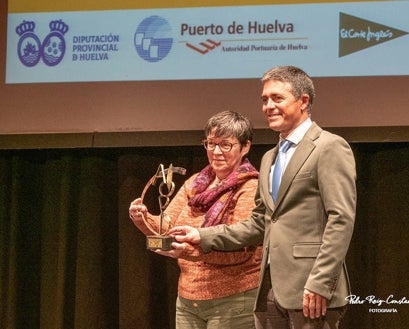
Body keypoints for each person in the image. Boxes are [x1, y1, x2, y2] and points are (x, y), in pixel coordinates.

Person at [169, 66, 357, 329]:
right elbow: (260, 223)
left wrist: (320, 283)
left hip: (310, 290)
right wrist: (202, 236)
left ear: (303, 101)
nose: (268, 106)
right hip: (269, 291)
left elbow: (341, 220)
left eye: (277, 98)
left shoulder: (329, 147)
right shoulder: (270, 158)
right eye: (265, 99)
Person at [128, 111, 262, 329]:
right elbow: (168, 225)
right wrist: (143, 218)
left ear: (245, 147)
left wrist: (187, 252)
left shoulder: (250, 188)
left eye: (225, 145)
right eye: (210, 143)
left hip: (233, 300)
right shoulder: (195, 183)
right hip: (188, 300)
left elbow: (241, 249)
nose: (216, 152)